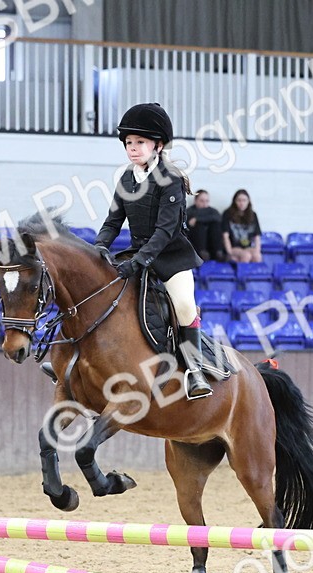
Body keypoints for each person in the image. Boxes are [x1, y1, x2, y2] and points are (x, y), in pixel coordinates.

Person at [94, 102, 211, 400]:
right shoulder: (126, 179)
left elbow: (164, 231)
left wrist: (138, 260)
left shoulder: (169, 179)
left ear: (158, 145)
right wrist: (98, 248)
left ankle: (195, 371)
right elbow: (112, 221)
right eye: (129, 143)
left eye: (140, 142)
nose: (133, 148)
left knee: (184, 304)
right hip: (137, 255)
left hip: (171, 259)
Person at [221, 189, 263, 263]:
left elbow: (257, 236)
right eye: (239, 200)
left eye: (244, 200)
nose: (241, 203)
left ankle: (251, 274)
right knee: (246, 255)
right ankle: (243, 274)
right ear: (235, 201)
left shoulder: (253, 215)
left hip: (247, 247)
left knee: (257, 256)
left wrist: (257, 251)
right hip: (234, 247)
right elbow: (225, 236)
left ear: (248, 201)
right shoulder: (227, 213)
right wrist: (229, 251)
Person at [185, 189, 223, 261]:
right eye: (202, 201)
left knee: (215, 225)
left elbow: (218, 219)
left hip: (211, 243)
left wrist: (197, 219)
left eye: (207, 201)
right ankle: (202, 252)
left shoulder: (213, 211)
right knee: (199, 226)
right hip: (196, 244)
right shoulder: (189, 211)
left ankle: (218, 252)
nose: (205, 204)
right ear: (195, 201)